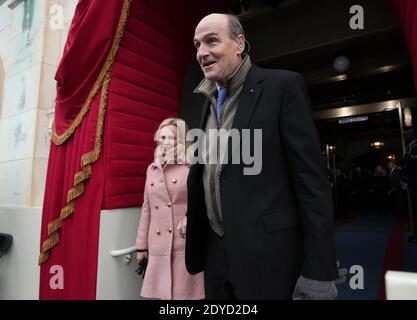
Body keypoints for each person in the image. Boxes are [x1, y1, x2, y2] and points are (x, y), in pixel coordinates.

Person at [185, 13, 338, 299]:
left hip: (269, 258)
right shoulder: (205, 104)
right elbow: (211, 176)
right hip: (215, 256)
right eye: (197, 45)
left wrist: (319, 271)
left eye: (211, 41)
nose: (202, 52)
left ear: (239, 43)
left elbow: (312, 185)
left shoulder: (283, 87)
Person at [135, 118, 204, 300]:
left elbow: (201, 202)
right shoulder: (153, 169)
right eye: (162, 136)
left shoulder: (192, 167)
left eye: (171, 138)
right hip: (159, 245)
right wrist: (141, 246)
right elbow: (147, 208)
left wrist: (191, 219)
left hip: (184, 243)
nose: (165, 142)